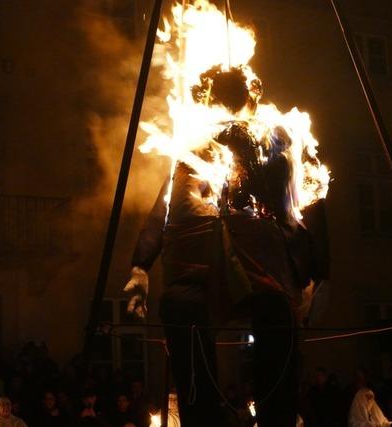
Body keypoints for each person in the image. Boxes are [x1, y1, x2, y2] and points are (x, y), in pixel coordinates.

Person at [126, 65, 329, 427]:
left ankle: (275, 417)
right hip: (197, 262)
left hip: (259, 262)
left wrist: (319, 273)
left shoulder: (276, 139)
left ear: (252, 95)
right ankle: (203, 417)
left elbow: (309, 199)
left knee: (276, 317)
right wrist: (140, 267)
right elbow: (164, 206)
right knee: (179, 308)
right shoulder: (190, 151)